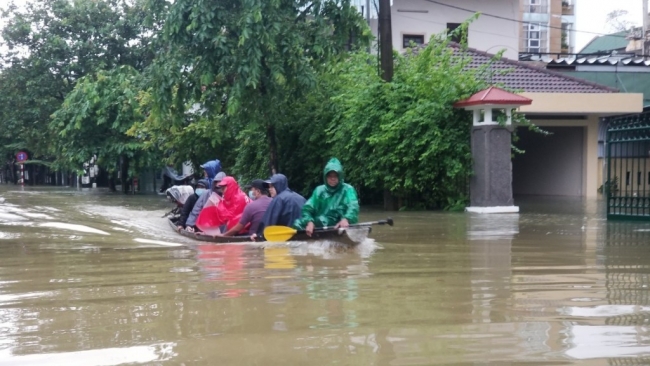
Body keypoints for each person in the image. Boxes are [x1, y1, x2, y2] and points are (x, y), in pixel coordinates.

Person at [293, 158, 359, 236]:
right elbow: (307, 209)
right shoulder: (319, 190)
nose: (333, 178)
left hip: (340, 223)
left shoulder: (348, 189)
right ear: (325, 177)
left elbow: (353, 206)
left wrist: (346, 219)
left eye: (335, 176)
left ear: (340, 176)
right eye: (330, 176)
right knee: (297, 223)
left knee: (323, 220)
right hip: (320, 224)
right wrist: (309, 222)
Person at [254, 173, 306, 240]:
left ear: (279, 185)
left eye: (272, 186)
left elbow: (268, 223)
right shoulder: (301, 198)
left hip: (286, 239)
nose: (269, 189)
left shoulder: (278, 200)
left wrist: (259, 235)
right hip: (304, 237)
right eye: (269, 187)